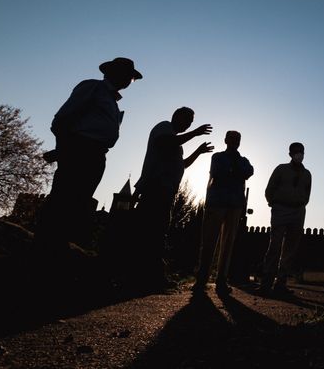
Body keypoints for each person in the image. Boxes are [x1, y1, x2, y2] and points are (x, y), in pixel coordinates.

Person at [37, 57, 142, 249]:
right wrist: (65, 150)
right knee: (63, 198)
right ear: (112, 73)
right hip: (81, 150)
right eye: (127, 76)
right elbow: (61, 120)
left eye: (131, 78)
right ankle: (45, 245)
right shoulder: (93, 88)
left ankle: (59, 244)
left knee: (79, 201)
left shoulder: (112, 100)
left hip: (96, 154)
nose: (129, 81)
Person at [132, 107, 213, 290]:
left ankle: (149, 275)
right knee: (151, 231)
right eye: (187, 120)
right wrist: (195, 133)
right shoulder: (164, 128)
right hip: (156, 188)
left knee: (158, 232)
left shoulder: (178, 143)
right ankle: (144, 276)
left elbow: (182, 165)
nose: (189, 124)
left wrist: (198, 152)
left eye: (191, 122)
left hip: (166, 191)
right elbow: (165, 143)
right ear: (176, 116)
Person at [194, 130, 254, 295]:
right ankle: (202, 279)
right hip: (216, 203)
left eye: (238, 139)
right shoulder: (218, 157)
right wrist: (235, 172)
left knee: (228, 245)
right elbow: (217, 173)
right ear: (226, 140)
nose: (235, 141)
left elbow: (249, 171)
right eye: (232, 138)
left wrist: (232, 171)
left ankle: (221, 281)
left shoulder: (243, 160)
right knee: (208, 242)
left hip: (234, 205)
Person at [258, 142, 311, 295]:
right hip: (280, 209)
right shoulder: (281, 169)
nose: (299, 154)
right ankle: (266, 283)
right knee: (274, 246)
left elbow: (307, 193)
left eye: (301, 151)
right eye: (296, 151)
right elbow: (269, 188)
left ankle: (281, 284)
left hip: (298, 211)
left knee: (290, 249)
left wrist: (300, 203)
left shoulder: (307, 174)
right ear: (290, 154)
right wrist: (274, 203)